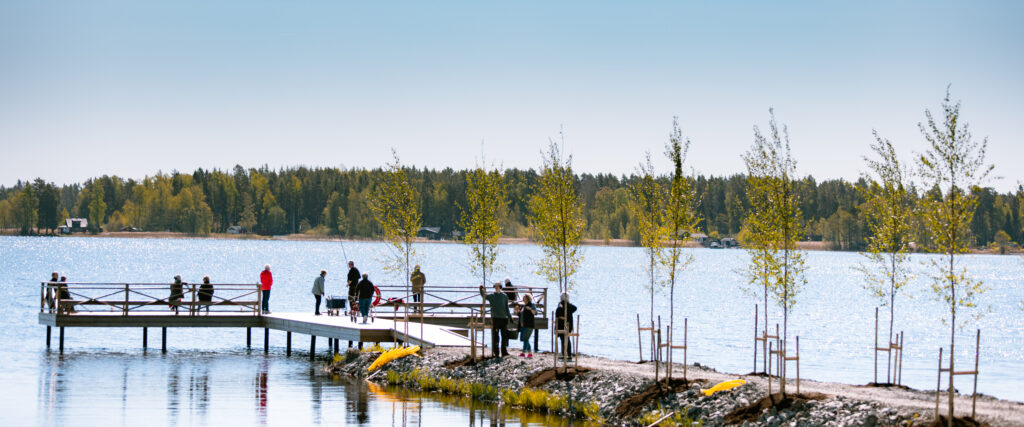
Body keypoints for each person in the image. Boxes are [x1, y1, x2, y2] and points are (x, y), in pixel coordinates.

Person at [480, 282, 511, 358]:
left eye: (498, 286)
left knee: (504, 336)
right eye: (495, 286)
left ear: (500, 286)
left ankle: (504, 352)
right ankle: (496, 352)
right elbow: (484, 296)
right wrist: (481, 290)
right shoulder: (492, 296)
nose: (496, 287)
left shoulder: (504, 296)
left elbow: (507, 307)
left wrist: (510, 316)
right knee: (496, 336)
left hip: (504, 318)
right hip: (495, 318)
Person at [555, 293, 577, 361]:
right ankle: (566, 353)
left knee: (564, 339)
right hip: (567, 324)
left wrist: (562, 317)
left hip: (563, 324)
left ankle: (566, 353)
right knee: (565, 339)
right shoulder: (568, 305)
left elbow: (557, 313)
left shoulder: (562, 304)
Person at [518, 294, 536, 358]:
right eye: (523, 297)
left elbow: (535, 313)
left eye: (524, 297)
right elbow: (521, 315)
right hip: (523, 325)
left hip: (529, 324)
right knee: (525, 339)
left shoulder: (531, 305)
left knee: (525, 338)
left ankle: (523, 352)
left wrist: (530, 309)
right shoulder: (523, 306)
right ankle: (530, 353)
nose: (523, 298)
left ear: (528, 298)